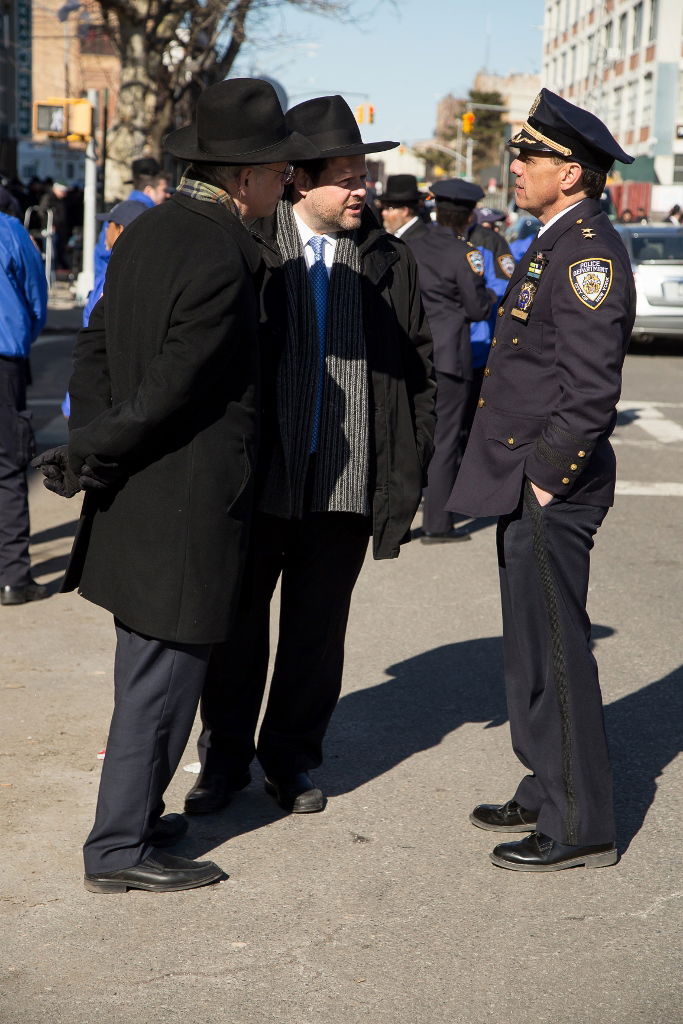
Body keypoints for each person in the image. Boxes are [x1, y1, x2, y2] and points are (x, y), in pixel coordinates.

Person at [33, 78, 318, 894]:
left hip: (140, 494)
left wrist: (92, 442)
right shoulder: (227, 251)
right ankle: (119, 848)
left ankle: (137, 813)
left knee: (147, 672)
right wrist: (98, 447)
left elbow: (97, 350)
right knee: (162, 683)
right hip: (184, 504)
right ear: (241, 178)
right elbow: (174, 385)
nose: (284, 186)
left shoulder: (150, 228)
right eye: (276, 174)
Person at [184, 94, 436, 817]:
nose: (363, 190)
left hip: (345, 486)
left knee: (316, 638)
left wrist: (407, 461)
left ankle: (291, 760)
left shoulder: (389, 260)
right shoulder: (253, 246)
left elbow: (422, 366)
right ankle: (223, 760)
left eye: (366, 176)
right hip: (259, 479)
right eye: (348, 177)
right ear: (300, 180)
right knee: (234, 630)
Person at [449, 88, 636, 871]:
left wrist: (546, 480)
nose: (515, 166)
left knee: (557, 653)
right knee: (529, 647)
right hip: (523, 473)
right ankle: (544, 780)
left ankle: (578, 822)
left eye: (530, 156)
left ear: (573, 173)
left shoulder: (588, 250)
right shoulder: (553, 238)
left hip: (551, 480)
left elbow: (590, 387)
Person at [385, 179, 492, 542]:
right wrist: (489, 294)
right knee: (445, 440)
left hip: (410, 351)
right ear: (468, 216)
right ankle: (437, 524)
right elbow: (477, 310)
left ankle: (394, 523)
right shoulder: (465, 253)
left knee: (405, 435)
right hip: (449, 355)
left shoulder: (411, 244)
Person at [0, 205, 48, 605]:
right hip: (3, 361)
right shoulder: (10, 231)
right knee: (7, 467)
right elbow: (36, 293)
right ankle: (13, 577)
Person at [61, 200, 148, 419]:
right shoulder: (129, 270)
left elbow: (98, 342)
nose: (105, 232)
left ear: (119, 229)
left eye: (108, 225)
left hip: (103, 393)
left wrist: (73, 405)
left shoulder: (119, 275)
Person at [378, 174, 427, 240]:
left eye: (388, 208)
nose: (383, 212)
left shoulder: (419, 240)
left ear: (404, 211)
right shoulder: (399, 235)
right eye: (383, 208)